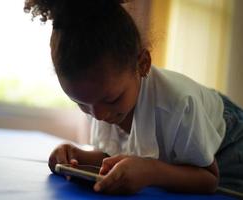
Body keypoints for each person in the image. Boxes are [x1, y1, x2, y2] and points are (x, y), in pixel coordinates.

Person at [24, 0, 243, 195]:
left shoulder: (178, 104)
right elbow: (115, 155)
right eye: (81, 104)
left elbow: (209, 179)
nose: (98, 115)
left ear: (142, 65)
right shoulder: (102, 99)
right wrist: (77, 156)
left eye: (111, 100)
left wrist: (151, 171)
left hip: (229, 147)